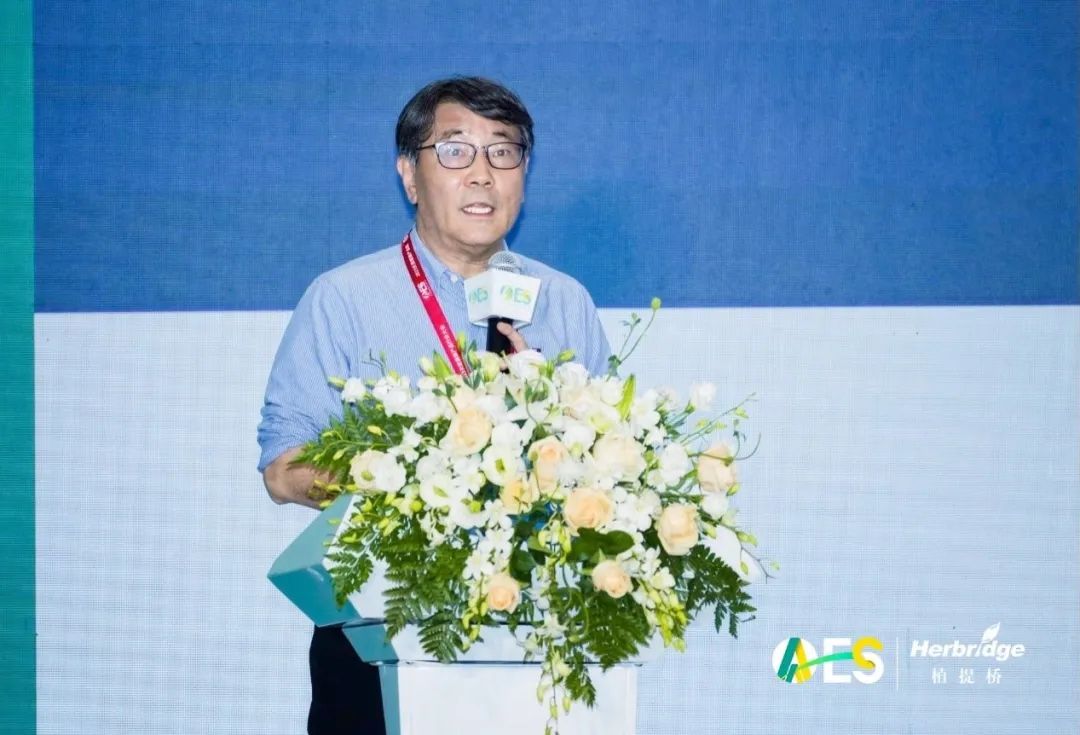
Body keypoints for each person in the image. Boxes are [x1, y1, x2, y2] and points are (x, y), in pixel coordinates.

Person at [257, 76, 611, 735]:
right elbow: (284, 467)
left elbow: (607, 471)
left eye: (503, 151)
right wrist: (417, 487)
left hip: (532, 635)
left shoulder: (565, 302)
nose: (482, 173)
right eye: (454, 150)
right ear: (409, 174)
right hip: (377, 628)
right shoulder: (345, 298)